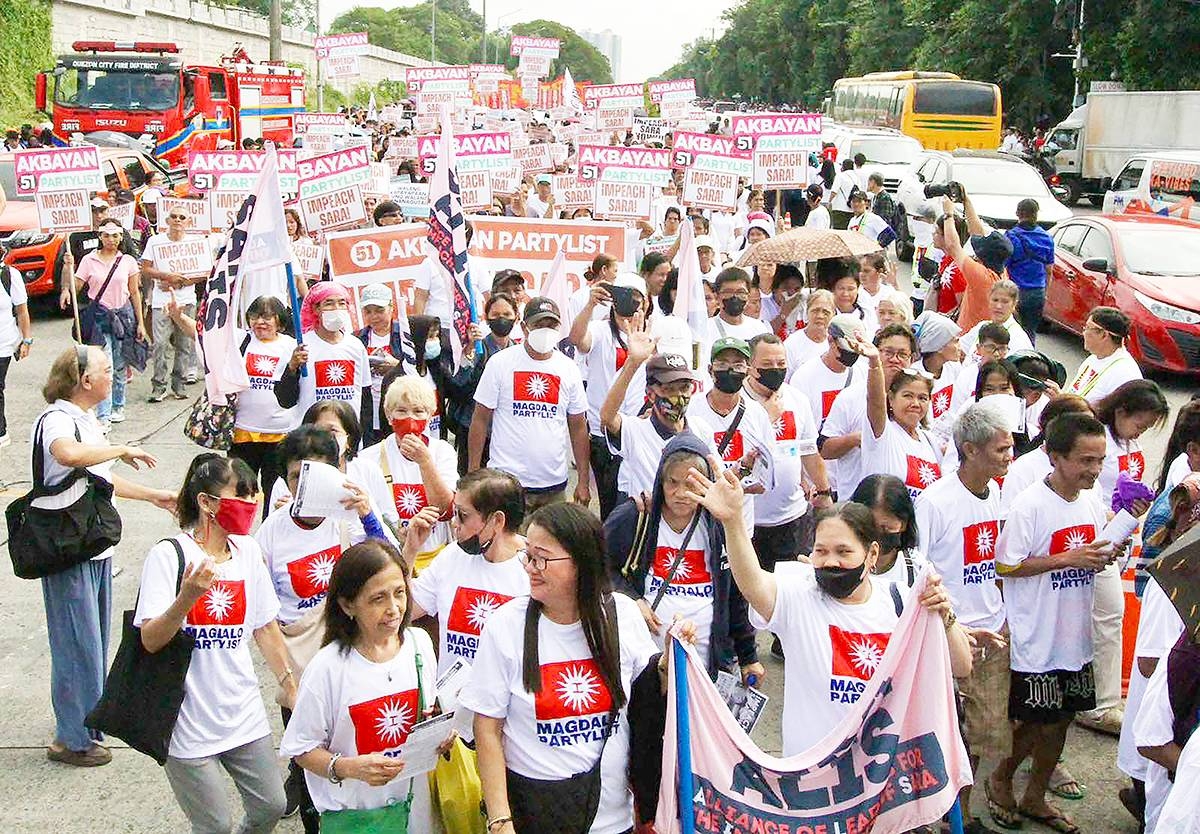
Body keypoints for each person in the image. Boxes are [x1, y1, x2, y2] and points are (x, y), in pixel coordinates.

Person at [686, 472, 972, 755]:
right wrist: (732, 521)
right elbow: (752, 583)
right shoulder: (799, 594)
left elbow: (961, 666)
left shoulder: (902, 600)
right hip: (811, 784)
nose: (831, 561)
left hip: (880, 782)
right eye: (821, 551)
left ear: (871, 555)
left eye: (844, 551)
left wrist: (945, 617)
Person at [460, 503, 661, 834]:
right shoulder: (505, 626)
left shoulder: (622, 617)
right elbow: (487, 727)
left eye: (541, 558)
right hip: (535, 815)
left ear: (581, 562)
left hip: (613, 818)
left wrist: (671, 662)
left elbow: (649, 698)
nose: (530, 568)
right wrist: (500, 819)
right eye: (528, 556)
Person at [134, 454, 293, 833]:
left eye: (254, 494)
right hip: (187, 723)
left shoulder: (248, 552)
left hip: (242, 715)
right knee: (214, 826)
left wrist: (290, 683)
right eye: (241, 493)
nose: (252, 503)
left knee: (272, 805)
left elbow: (264, 626)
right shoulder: (169, 555)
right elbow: (151, 639)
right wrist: (185, 600)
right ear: (207, 502)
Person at [35, 345, 175, 767]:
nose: (112, 375)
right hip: (68, 548)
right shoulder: (56, 420)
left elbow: (100, 477)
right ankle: (71, 738)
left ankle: (87, 722)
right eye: (105, 369)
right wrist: (121, 449)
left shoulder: (84, 420)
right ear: (83, 380)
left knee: (92, 644)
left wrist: (153, 496)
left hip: (93, 546)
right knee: (75, 645)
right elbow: (69, 456)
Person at [990, 412, 1125, 834]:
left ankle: (1036, 796)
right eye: (1085, 460)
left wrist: (1106, 554)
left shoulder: (1089, 500)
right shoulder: (1029, 505)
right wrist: (1066, 559)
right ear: (1055, 457)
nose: (1093, 470)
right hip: (1037, 637)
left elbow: (1092, 549)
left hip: (1075, 635)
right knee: (1035, 720)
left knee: (1062, 718)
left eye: (1099, 460)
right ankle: (1000, 780)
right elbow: (1005, 567)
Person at [279, 539, 442, 831]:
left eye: (400, 593)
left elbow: (427, 716)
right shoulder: (327, 668)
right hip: (356, 819)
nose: (394, 608)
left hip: (414, 812)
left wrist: (438, 738)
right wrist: (350, 768)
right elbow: (301, 748)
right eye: (378, 598)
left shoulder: (420, 645)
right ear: (347, 605)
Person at [916, 401, 1014, 832]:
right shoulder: (935, 503)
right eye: (1001, 449)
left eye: (1011, 448)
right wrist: (950, 623)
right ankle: (943, 816)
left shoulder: (995, 493)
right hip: (950, 636)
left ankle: (963, 811)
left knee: (981, 734)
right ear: (970, 450)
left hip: (991, 633)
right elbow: (918, 570)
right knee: (947, 731)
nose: (1009, 457)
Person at [604, 434, 761, 681]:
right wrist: (632, 599)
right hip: (647, 667)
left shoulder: (719, 525)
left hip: (706, 666)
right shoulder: (635, 517)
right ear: (660, 481)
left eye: (691, 484)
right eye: (672, 482)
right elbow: (597, 568)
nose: (680, 493)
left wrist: (748, 657)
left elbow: (735, 594)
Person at [1076, 380, 1168, 739]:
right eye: (1140, 423)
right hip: (1095, 535)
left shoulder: (1128, 442)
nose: (1142, 431)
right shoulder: (1098, 439)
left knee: (1105, 617)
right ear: (1121, 410)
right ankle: (1100, 704)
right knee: (1108, 615)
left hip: (1118, 534)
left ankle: (1097, 698)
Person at [469, 297, 590, 511]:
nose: (545, 330)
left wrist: (583, 481)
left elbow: (578, 427)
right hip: (507, 484)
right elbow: (480, 419)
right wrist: (473, 473)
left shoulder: (568, 369)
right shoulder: (500, 363)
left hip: (553, 487)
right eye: (538, 325)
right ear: (524, 328)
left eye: (551, 325)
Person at [408, 468, 530, 676]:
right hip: (452, 702)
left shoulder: (532, 570)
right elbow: (406, 611)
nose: (454, 523)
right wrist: (410, 550)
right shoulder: (451, 556)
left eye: (463, 515)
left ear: (497, 521)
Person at [746, 333, 832, 571]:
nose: (775, 370)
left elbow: (809, 451)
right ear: (750, 367)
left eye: (781, 364)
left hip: (791, 518)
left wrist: (824, 491)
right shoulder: (739, 402)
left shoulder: (797, 399)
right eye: (767, 365)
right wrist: (765, 416)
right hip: (750, 520)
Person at [570, 273, 650, 518]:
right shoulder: (600, 330)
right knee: (610, 506)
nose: (630, 304)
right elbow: (577, 339)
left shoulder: (655, 333)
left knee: (639, 501)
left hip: (640, 429)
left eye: (637, 298)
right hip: (602, 432)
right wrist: (590, 305)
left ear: (646, 303)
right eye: (624, 297)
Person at [359, 376, 457, 569]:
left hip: (435, 559)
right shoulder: (369, 458)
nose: (410, 419)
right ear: (389, 415)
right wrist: (398, 532)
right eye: (402, 411)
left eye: (419, 411)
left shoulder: (442, 451)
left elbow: (446, 510)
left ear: (430, 415)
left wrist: (425, 462)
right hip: (390, 559)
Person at [60, 218, 146, 427]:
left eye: (115, 235)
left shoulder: (127, 261)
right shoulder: (89, 260)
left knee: (119, 363)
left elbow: (134, 292)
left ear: (121, 237)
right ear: (100, 236)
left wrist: (141, 323)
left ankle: (118, 405)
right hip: (99, 315)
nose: (111, 239)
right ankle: (103, 415)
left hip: (123, 315)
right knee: (102, 363)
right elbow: (76, 284)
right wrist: (66, 279)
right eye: (106, 235)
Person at [686, 336, 776, 528]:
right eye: (722, 363)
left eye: (737, 364)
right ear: (710, 370)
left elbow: (765, 475)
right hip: (698, 519)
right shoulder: (691, 409)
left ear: (748, 371)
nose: (730, 370)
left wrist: (743, 484)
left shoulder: (756, 413)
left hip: (740, 523)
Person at [603, 339, 697, 504]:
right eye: (669, 389)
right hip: (647, 522)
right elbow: (607, 418)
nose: (679, 396)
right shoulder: (635, 430)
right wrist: (633, 363)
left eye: (684, 388)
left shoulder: (701, 430)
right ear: (651, 394)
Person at [275, 283, 372, 431]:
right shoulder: (299, 346)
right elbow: (285, 400)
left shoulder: (356, 346)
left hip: (346, 435)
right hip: (310, 436)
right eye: (329, 303)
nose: (336, 308)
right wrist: (292, 368)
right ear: (316, 308)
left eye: (341, 303)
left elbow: (365, 398)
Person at [230, 295, 300, 499]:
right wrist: (178, 315)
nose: (260, 322)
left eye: (267, 317)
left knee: (275, 494)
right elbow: (206, 336)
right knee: (240, 492)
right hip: (243, 432)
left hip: (280, 433)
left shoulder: (292, 346)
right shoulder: (240, 339)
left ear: (279, 320)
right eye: (255, 316)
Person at [859, 333, 944, 500]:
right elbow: (875, 401)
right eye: (907, 396)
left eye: (922, 398)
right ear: (891, 398)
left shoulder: (930, 441)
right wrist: (875, 364)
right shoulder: (883, 432)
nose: (915, 403)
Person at [443, 292, 520, 474]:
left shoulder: (519, 353)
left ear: (516, 317)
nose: (501, 319)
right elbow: (459, 384)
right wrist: (469, 350)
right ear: (486, 318)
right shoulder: (478, 349)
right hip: (474, 430)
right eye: (495, 315)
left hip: (505, 433)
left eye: (507, 315)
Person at [938, 192, 1012, 332]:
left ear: (982, 258)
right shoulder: (1000, 272)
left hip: (970, 339)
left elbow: (953, 246)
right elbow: (977, 232)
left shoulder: (982, 277)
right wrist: (966, 201)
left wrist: (948, 214)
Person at [354, 283, 415, 446]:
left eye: (379, 310)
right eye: (368, 311)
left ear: (391, 308)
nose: (374, 316)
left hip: (397, 404)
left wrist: (396, 366)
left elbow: (420, 371)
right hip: (368, 407)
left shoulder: (405, 335)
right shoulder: (357, 339)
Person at [849, 474, 928, 591]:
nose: (876, 536)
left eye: (885, 528)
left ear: (904, 524)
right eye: (869, 526)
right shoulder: (842, 563)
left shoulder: (916, 567)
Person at [1066, 307, 1142, 404]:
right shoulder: (1094, 358)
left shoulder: (1125, 374)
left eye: (1088, 328)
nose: (1084, 332)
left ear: (1104, 335)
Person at [1005, 199, 1055, 341]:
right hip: (1037, 292)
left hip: (1014, 292)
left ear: (1017, 213)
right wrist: (1045, 293)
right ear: (1036, 214)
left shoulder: (1010, 237)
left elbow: (1003, 267)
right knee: (1029, 332)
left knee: (1010, 332)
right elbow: (1049, 270)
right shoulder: (1046, 237)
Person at [0, 260, 32, 446]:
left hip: (3, 342)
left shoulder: (10, 275)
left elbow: (22, 311)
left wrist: (26, 339)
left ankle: (1, 431)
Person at [959, 280, 1034, 357]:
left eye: (1005, 302)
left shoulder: (1018, 338)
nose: (998, 306)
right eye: (995, 300)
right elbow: (959, 349)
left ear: (1014, 304)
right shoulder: (982, 326)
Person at [705, 267, 770, 350]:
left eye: (740, 292)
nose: (734, 297)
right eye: (728, 292)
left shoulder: (759, 328)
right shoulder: (706, 328)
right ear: (717, 296)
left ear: (748, 296)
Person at [783, 288, 835, 373]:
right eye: (815, 311)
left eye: (826, 312)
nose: (820, 316)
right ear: (807, 312)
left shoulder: (837, 343)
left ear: (833, 314)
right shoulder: (791, 344)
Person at [830, 159, 858, 229]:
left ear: (843, 166)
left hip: (839, 208)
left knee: (839, 231)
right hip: (852, 208)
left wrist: (829, 201)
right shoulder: (857, 177)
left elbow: (834, 191)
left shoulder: (840, 176)